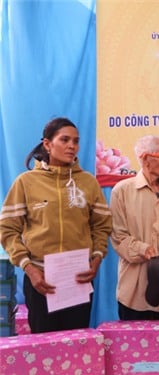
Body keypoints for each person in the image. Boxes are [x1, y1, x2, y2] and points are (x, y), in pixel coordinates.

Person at [0, 117, 112, 333]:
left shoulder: (88, 182)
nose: (72, 146)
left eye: (76, 141)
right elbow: (8, 230)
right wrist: (29, 269)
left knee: (76, 349)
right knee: (46, 350)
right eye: (65, 140)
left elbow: (102, 226)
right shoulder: (26, 183)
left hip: (79, 281)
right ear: (47, 144)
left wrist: (96, 259)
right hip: (41, 282)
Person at [110, 135, 159, 320]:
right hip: (133, 293)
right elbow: (119, 238)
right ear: (146, 159)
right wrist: (145, 250)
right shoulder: (122, 191)